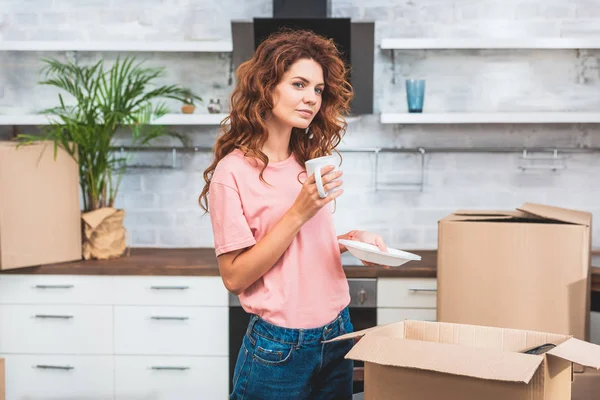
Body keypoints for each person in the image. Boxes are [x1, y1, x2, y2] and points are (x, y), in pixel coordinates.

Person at [199, 28, 389, 400]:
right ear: (267, 87)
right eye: (299, 84)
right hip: (279, 347)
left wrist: (352, 242)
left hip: (337, 332)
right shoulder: (232, 173)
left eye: (318, 89)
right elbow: (234, 276)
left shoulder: (307, 162)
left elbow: (301, 247)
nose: (311, 99)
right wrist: (299, 212)